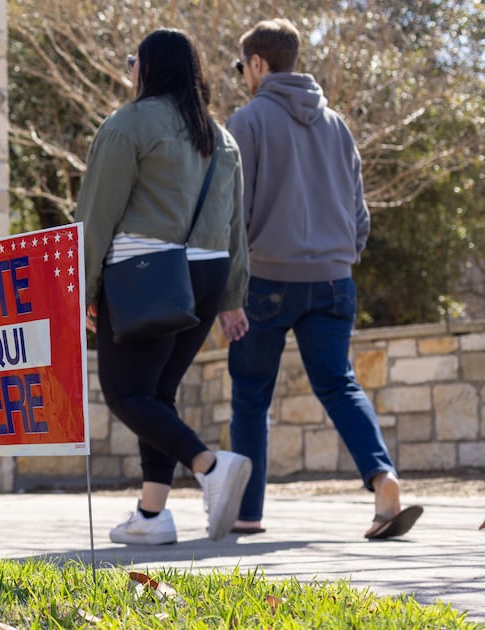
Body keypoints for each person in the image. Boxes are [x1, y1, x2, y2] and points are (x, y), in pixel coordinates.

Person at [220, 18, 423, 539]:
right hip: (335, 281)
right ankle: (383, 478)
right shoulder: (337, 125)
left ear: (258, 63)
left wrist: (229, 288)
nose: (243, 76)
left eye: (243, 67)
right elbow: (359, 214)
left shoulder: (247, 121)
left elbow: (233, 214)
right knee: (338, 383)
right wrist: (340, 258)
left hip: (266, 280)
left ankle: (248, 513)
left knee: (251, 395)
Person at [75, 29, 251, 544]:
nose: (130, 68)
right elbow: (236, 228)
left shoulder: (127, 125)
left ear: (150, 67)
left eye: (134, 60)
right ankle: (151, 517)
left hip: (145, 273)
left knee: (126, 393)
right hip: (209, 276)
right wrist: (233, 298)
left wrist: (81, 289)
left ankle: (209, 464)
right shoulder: (222, 138)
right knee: (156, 394)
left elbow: (96, 216)